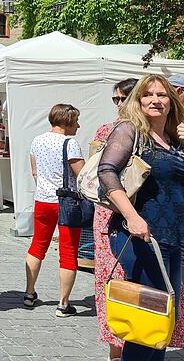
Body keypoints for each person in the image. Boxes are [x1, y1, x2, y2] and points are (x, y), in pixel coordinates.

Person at [99, 74, 184, 361]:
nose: (155, 100)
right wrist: (132, 216)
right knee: (145, 322)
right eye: (148, 95)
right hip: (141, 236)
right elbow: (106, 172)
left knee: (162, 322)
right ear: (138, 100)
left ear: (172, 103)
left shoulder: (175, 140)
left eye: (161, 95)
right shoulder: (131, 131)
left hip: (174, 238)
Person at [92, 79, 142, 360]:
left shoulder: (157, 132)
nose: (120, 104)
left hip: (144, 211)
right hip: (109, 213)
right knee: (113, 280)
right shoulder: (107, 130)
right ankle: (116, 350)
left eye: (125, 98)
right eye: (116, 99)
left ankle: (144, 341)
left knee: (142, 283)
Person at [23, 104, 85, 317]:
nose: (78, 125)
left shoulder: (37, 140)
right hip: (66, 201)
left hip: (42, 200)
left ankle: (29, 293)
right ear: (67, 122)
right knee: (68, 251)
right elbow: (82, 175)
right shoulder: (71, 143)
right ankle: (63, 303)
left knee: (37, 245)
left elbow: (34, 171)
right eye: (76, 121)